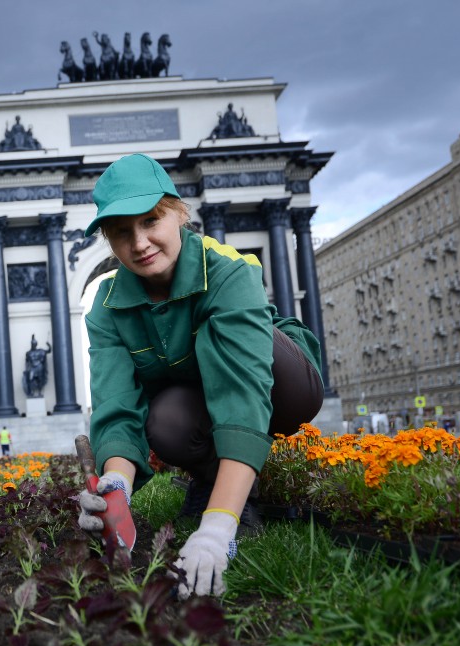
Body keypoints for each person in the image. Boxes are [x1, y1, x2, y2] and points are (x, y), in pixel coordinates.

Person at [76, 154, 324, 598]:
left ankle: (229, 492)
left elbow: (242, 392)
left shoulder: (228, 269)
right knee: (165, 422)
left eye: (152, 220)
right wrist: (115, 488)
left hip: (281, 384)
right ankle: (222, 479)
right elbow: (116, 405)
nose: (140, 243)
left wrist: (216, 528)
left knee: (222, 352)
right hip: (198, 396)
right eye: (120, 232)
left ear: (179, 213)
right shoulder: (107, 306)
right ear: (108, 241)